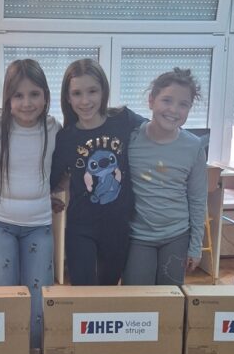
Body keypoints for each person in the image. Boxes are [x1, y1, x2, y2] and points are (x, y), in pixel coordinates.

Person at [0, 59, 61, 348]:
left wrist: (53, 194)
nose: (27, 103)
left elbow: (58, 170)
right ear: (8, 98)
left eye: (34, 94)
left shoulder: (54, 128)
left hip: (39, 224)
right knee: (1, 294)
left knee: (39, 301)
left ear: (45, 96)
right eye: (18, 95)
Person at [50, 58, 143, 285]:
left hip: (118, 225)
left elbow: (156, 133)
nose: (85, 101)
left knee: (108, 289)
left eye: (92, 91)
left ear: (103, 91)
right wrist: (49, 196)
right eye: (77, 93)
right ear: (67, 97)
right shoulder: (65, 137)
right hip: (81, 226)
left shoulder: (124, 119)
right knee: (82, 290)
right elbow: (51, 178)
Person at [123, 67, 208, 286]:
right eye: (167, 100)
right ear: (151, 101)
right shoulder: (131, 139)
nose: (174, 110)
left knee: (171, 299)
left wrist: (195, 246)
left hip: (176, 235)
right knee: (137, 299)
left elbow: (198, 200)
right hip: (138, 236)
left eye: (183, 104)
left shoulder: (194, 147)